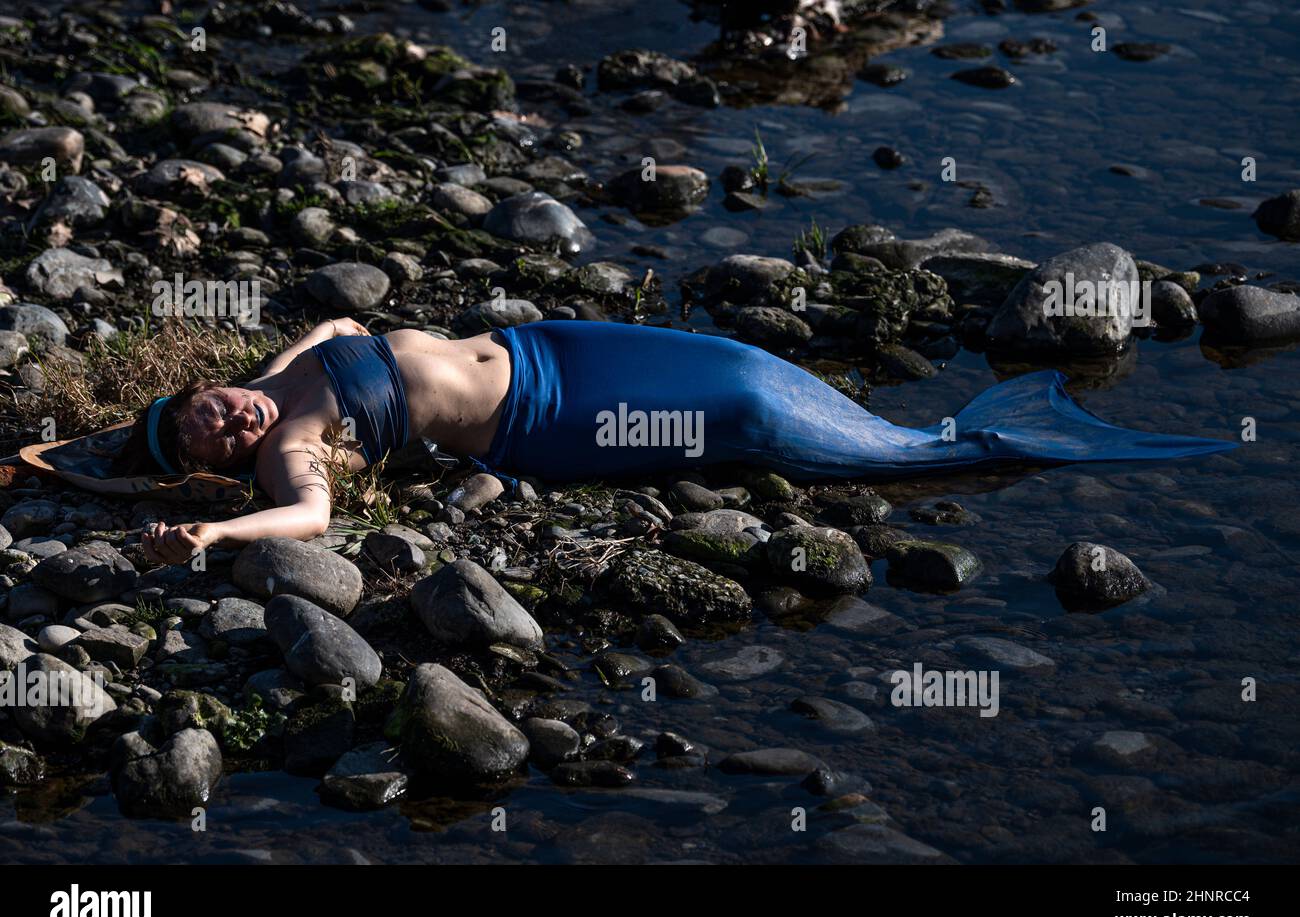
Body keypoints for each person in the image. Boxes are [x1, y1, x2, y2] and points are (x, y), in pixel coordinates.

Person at [121, 317, 1236, 565]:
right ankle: (990, 441)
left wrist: (259, 373)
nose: (225, 421)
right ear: (223, 468)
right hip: (556, 418)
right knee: (753, 424)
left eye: (205, 403)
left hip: (562, 345)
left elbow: (339, 324)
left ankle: (934, 427)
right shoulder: (291, 449)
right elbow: (310, 516)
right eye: (210, 443)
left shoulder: (284, 371)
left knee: (744, 367)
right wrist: (217, 536)